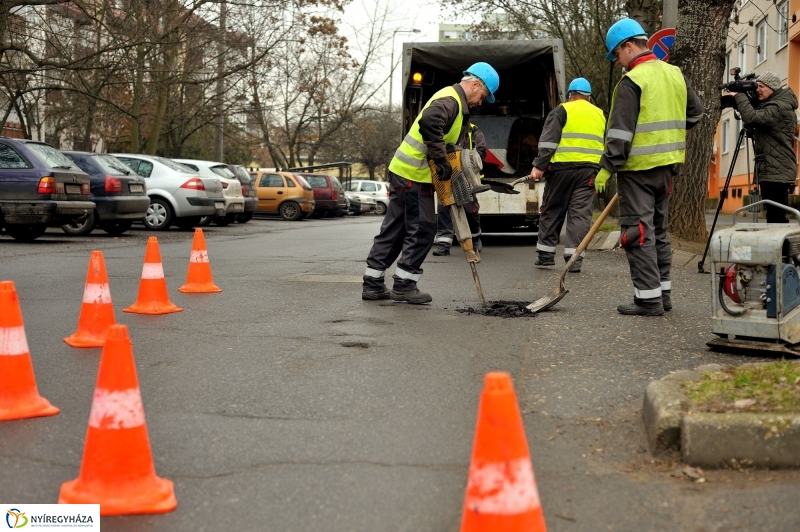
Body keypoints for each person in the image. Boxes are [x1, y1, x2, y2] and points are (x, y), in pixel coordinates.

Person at [361, 62, 500, 304]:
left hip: (404, 173)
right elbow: (430, 122)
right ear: (475, 84)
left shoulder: (453, 101)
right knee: (423, 229)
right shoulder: (451, 100)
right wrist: (440, 160)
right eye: (483, 95)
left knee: (396, 229)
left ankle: (373, 284)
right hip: (414, 175)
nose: (480, 101)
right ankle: (404, 285)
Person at [596, 18, 704, 316]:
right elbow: (696, 115)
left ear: (628, 46)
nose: (618, 62)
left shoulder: (633, 81)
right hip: (667, 169)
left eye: (616, 55)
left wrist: (607, 166)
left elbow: (619, 134)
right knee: (658, 231)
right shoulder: (675, 74)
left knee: (637, 232)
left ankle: (647, 299)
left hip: (637, 170)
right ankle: (663, 295)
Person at [530, 77, 606, 273]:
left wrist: (539, 166)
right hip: (590, 171)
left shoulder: (562, 110)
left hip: (562, 169)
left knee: (553, 209)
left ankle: (546, 256)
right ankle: (575, 259)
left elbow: (548, 142)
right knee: (580, 215)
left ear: (571, 95)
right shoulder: (600, 114)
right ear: (589, 97)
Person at [722, 71, 798, 223]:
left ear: (772, 88)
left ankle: (781, 246)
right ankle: (779, 245)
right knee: (773, 214)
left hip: (777, 168)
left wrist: (739, 95)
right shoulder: (774, 105)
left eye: (761, 86)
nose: (757, 89)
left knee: (776, 216)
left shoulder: (779, 107)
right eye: (757, 86)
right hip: (773, 167)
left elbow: (751, 117)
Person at [432, 123, 487, 256]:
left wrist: (468, 162)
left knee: (470, 209)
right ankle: (443, 244)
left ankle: (475, 239)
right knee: (444, 207)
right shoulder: (444, 128)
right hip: (446, 174)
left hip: (466, 176)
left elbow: (481, 152)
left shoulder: (473, 131)